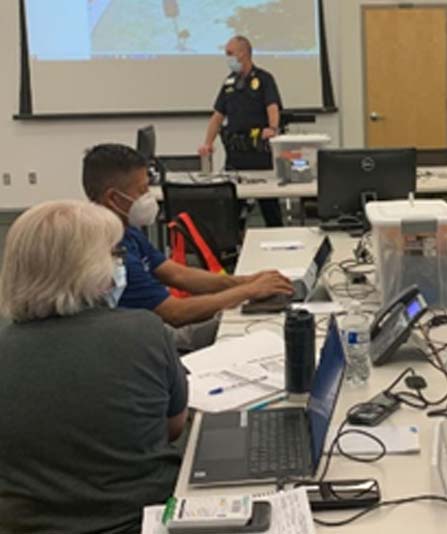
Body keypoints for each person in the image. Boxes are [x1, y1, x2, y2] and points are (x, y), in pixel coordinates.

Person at [0, 200, 188, 533]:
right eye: (116, 254)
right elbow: (173, 427)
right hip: (139, 521)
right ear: (87, 267)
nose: (121, 263)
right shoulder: (143, 331)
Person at [83, 143, 293, 351]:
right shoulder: (111, 253)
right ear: (113, 198)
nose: (149, 197)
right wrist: (248, 291)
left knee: (262, 328)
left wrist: (246, 281)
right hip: (142, 345)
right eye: (142, 190)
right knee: (255, 335)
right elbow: (175, 313)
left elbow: (178, 275)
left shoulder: (127, 231)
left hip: (155, 331)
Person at [199, 35, 284, 227]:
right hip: (236, 155)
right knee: (231, 212)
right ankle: (231, 250)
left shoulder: (264, 79)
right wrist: (207, 143)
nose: (227, 58)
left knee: (270, 209)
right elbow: (217, 116)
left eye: (230, 53)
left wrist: (272, 128)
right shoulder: (229, 83)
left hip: (259, 155)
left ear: (243, 53)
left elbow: (272, 106)